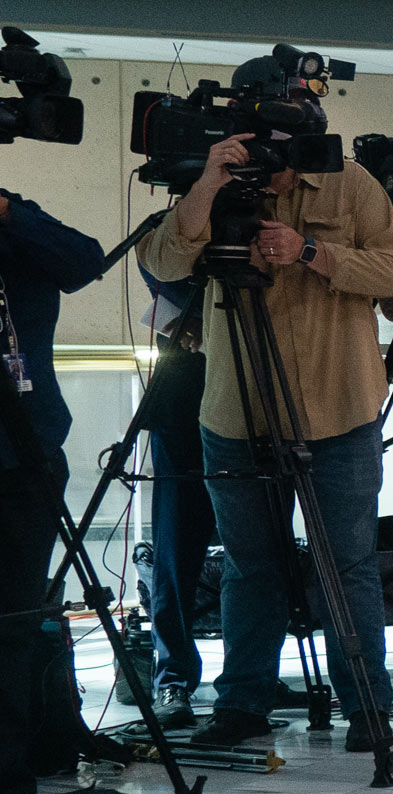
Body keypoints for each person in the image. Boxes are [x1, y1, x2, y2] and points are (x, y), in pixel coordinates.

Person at [144, 127, 393, 756]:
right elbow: (163, 263)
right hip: (236, 413)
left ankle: (367, 706)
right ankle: (242, 702)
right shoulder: (213, 185)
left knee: (345, 566)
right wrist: (209, 181)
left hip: (339, 410)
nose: (272, 171)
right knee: (248, 567)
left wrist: (312, 251)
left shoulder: (352, 184)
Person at [0, 188, 109, 791]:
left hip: (24, 454)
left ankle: (10, 777)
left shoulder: (15, 220)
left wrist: (9, 214)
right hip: (24, 452)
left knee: (15, 622)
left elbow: (85, 261)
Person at [135, 270, 213, 730]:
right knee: (174, 553)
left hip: (259, 400)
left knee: (262, 551)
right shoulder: (177, 231)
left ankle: (251, 676)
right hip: (184, 400)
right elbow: (153, 260)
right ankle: (174, 678)